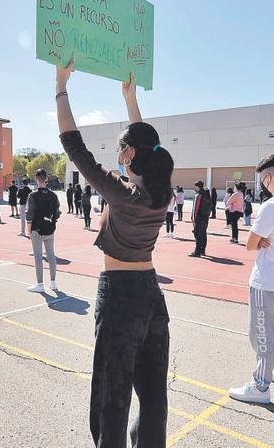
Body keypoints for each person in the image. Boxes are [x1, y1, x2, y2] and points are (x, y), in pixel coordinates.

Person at [56, 62, 174, 447]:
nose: (117, 151)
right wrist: (131, 102)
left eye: (121, 147)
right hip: (150, 293)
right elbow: (147, 147)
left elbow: (74, 146)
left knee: (113, 391)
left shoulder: (124, 194)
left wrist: (61, 87)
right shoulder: (160, 193)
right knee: (153, 393)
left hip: (121, 293)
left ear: (128, 154)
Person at [228, 154, 274, 404]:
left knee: (261, 333)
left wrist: (260, 240)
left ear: (268, 177)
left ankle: (261, 385)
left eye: (263, 179)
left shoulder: (273, 205)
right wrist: (262, 239)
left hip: (267, 280)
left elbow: (250, 244)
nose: (262, 184)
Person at [25, 169, 61, 293]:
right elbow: (57, 212)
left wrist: (29, 229)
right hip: (50, 229)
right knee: (51, 255)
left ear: (36, 179)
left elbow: (30, 214)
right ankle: (53, 282)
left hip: (36, 229)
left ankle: (40, 284)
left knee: (38, 256)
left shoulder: (33, 195)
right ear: (46, 179)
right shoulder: (53, 195)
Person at [189, 180, 211, 257]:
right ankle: (202, 250)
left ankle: (197, 251)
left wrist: (193, 219)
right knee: (204, 234)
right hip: (206, 217)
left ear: (197, 187)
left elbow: (195, 208)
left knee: (198, 234)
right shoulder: (207, 194)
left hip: (199, 217)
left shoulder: (198, 195)